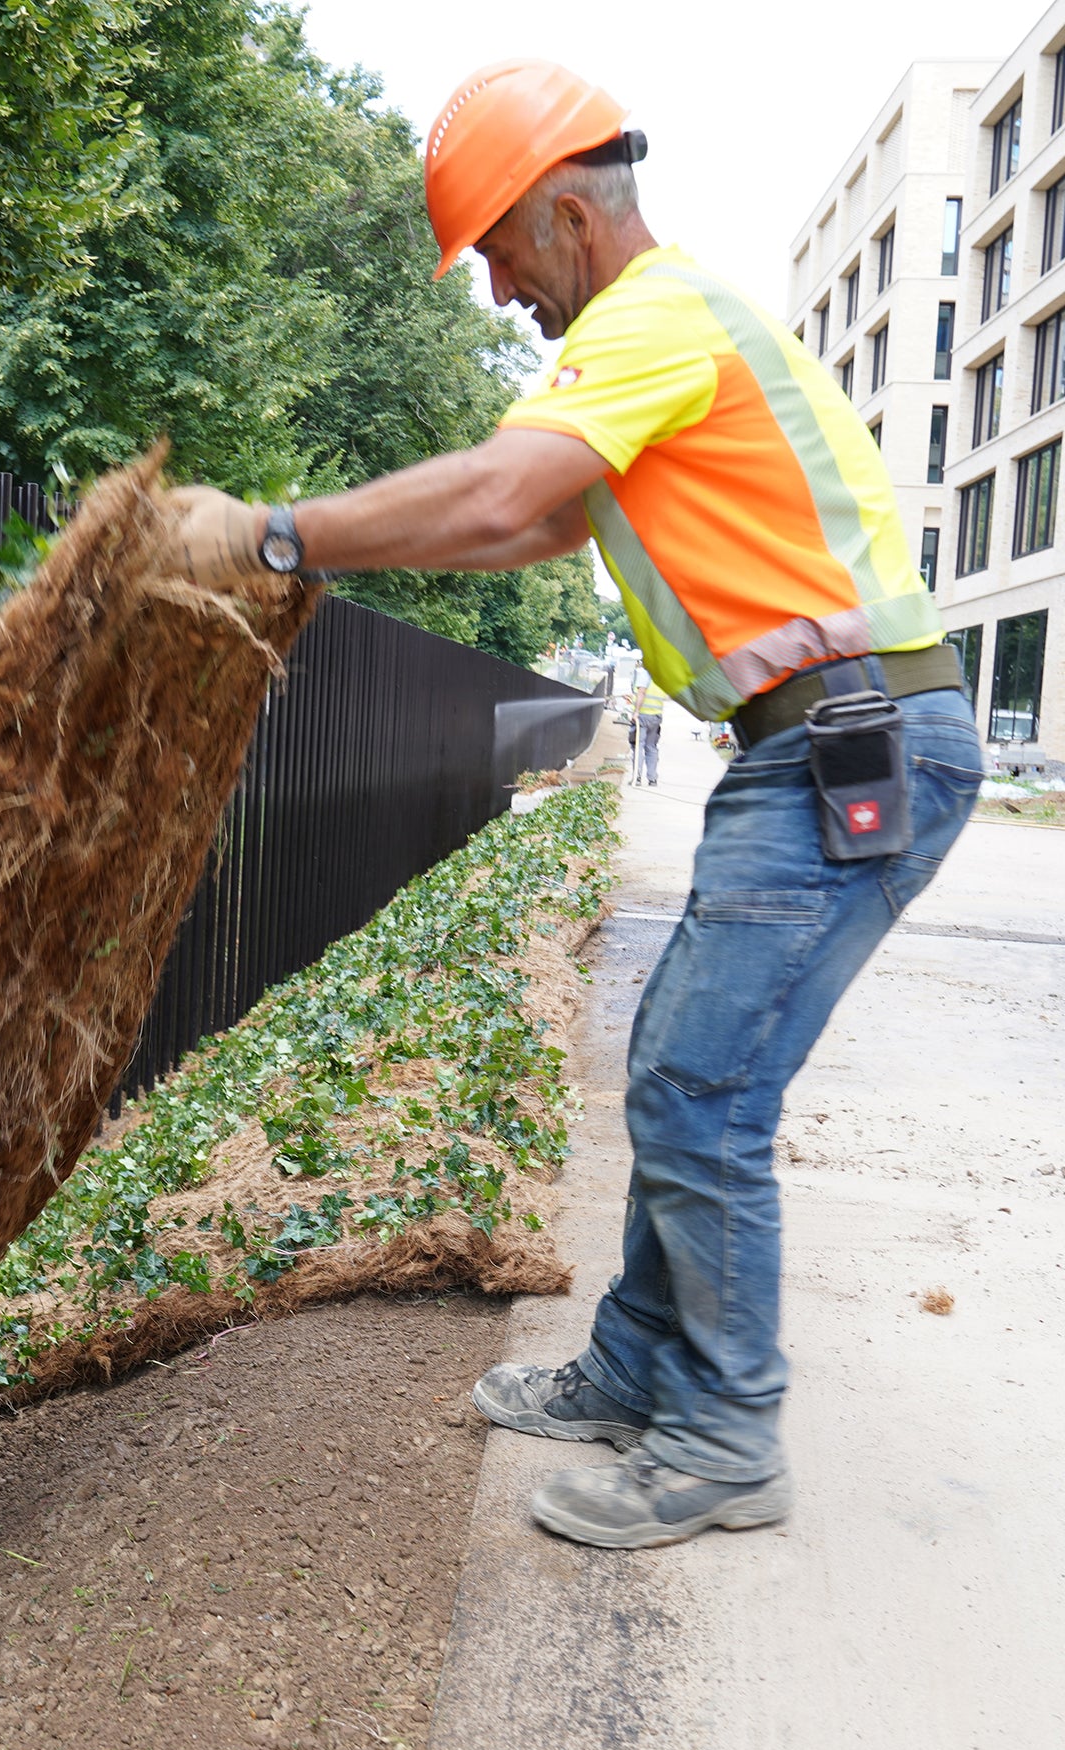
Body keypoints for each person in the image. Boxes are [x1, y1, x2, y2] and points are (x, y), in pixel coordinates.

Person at [164, 59, 980, 1550]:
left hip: (850, 745)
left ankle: (723, 1438)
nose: (497, 291)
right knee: (683, 1070)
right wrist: (324, 548)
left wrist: (275, 533)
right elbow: (526, 519)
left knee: (696, 1089)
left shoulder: (656, 318)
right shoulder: (652, 336)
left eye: (496, 251)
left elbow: (496, 496)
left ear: (565, 213)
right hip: (812, 744)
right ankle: (635, 1372)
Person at [635, 676, 666, 785]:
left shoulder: (644, 675)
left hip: (643, 716)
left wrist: (636, 711)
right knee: (651, 747)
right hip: (656, 716)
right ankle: (652, 778)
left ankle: (636, 777)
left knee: (638, 746)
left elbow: (642, 692)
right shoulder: (660, 676)